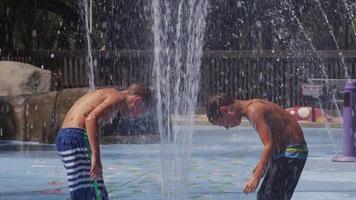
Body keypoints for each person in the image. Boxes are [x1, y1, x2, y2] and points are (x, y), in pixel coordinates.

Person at [56, 84, 152, 200]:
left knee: (89, 191)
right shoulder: (118, 98)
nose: (136, 117)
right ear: (137, 101)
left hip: (66, 138)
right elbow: (91, 119)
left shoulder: (110, 95)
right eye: (140, 112)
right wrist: (96, 157)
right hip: (76, 137)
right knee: (92, 194)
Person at [206, 93, 308, 200]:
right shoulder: (253, 106)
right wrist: (262, 166)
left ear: (225, 110)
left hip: (292, 153)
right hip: (286, 153)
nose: (227, 127)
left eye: (223, 123)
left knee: (269, 197)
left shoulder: (254, 111)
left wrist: (256, 176)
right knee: (266, 196)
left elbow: (269, 145)